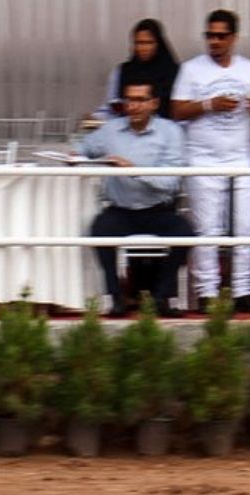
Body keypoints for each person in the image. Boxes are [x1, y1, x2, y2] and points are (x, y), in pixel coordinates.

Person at [172, 8, 250, 314]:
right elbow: (176, 111)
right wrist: (209, 104)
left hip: (240, 156)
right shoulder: (191, 69)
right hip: (202, 158)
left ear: (234, 38)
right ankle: (208, 292)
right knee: (207, 230)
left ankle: (242, 290)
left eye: (220, 36)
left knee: (244, 227)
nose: (214, 41)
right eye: (209, 35)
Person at [78, 76, 190, 318]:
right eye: (129, 100)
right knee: (99, 230)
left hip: (158, 209)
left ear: (154, 103)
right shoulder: (111, 130)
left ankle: (162, 298)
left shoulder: (171, 133)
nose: (134, 106)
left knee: (186, 233)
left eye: (141, 100)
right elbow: (84, 147)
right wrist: (74, 155)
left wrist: (134, 171)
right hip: (122, 210)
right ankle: (117, 298)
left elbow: (171, 181)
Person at [93, 18, 180, 121]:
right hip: (126, 130)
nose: (143, 48)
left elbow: (179, 112)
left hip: (163, 131)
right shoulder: (122, 71)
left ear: (159, 44)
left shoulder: (175, 73)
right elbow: (109, 108)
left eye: (148, 43)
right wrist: (94, 118)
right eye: (138, 43)